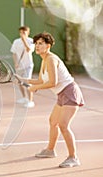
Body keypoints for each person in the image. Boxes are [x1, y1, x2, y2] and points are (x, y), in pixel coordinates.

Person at [21, 32, 84, 168]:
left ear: (48, 46)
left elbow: (53, 82)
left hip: (69, 92)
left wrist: (35, 88)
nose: (37, 46)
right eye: (36, 43)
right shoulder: (44, 60)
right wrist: (24, 80)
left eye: (41, 43)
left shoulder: (51, 59)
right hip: (61, 94)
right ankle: (50, 150)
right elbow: (40, 80)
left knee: (63, 125)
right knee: (53, 122)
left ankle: (73, 157)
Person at [10, 26, 35, 108]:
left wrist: (24, 40)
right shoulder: (16, 42)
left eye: (24, 32)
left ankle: (31, 101)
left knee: (27, 82)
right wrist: (15, 63)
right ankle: (24, 98)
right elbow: (13, 53)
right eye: (20, 32)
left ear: (28, 32)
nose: (22, 34)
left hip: (28, 65)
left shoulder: (31, 41)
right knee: (20, 82)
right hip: (19, 66)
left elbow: (28, 49)